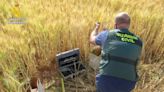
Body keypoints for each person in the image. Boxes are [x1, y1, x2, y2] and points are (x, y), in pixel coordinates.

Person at [90, 12, 143, 92]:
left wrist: (96, 28)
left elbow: (92, 39)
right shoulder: (138, 41)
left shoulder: (107, 34)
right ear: (129, 25)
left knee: (97, 53)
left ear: (115, 25)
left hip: (105, 81)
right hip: (128, 84)